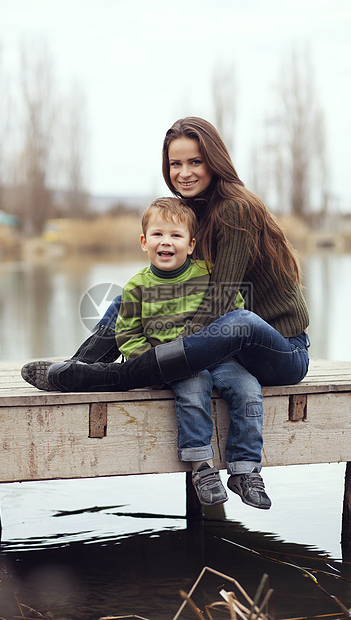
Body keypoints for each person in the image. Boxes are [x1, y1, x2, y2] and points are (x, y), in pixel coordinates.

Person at [21, 116, 310, 509]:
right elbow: (177, 288)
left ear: (215, 161)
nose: (184, 172)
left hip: (278, 351)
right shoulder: (190, 212)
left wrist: (166, 344)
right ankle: (81, 367)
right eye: (176, 164)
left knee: (239, 321)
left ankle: (116, 376)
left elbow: (221, 301)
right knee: (133, 294)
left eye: (195, 162)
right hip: (220, 347)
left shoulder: (235, 209)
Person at [114, 196, 250, 507]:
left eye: (176, 235)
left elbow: (234, 313)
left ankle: (246, 467)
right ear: (143, 242)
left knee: (248, 388)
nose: (166, 242)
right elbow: (128, 335)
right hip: (176, 365)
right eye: (158, 234)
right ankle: (201, 465)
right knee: (193, 388)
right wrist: (152, 364)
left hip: (220, 357)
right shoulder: (136, 286)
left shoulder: (208, 274)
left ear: (191, 245)